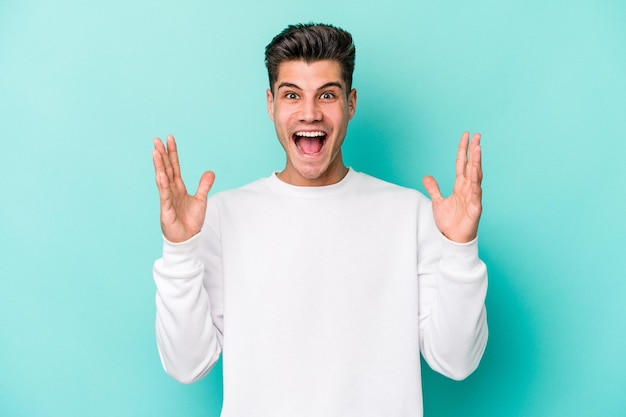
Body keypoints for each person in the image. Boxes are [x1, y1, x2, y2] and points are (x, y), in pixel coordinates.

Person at [152, 23, 488, 417]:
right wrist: (179, 251)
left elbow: (456, 361)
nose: (309, 113)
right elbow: (186, 364)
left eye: (327, 95)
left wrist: (460, 250)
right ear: (270, 104)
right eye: (291, 95)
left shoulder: (410, 213)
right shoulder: (223, 217)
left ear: (351, 103)